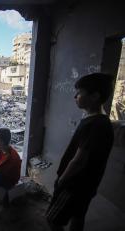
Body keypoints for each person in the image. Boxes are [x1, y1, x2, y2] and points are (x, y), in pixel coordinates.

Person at [46, 73, 114, 231]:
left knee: (53, 219)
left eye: (80, 92)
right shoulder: (101, 121)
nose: (75, 96)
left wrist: (62, 180)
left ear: (95, 96)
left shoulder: (94, 125)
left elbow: (79, 160)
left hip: (74, 185)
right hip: (88, 183)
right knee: (78, 215)